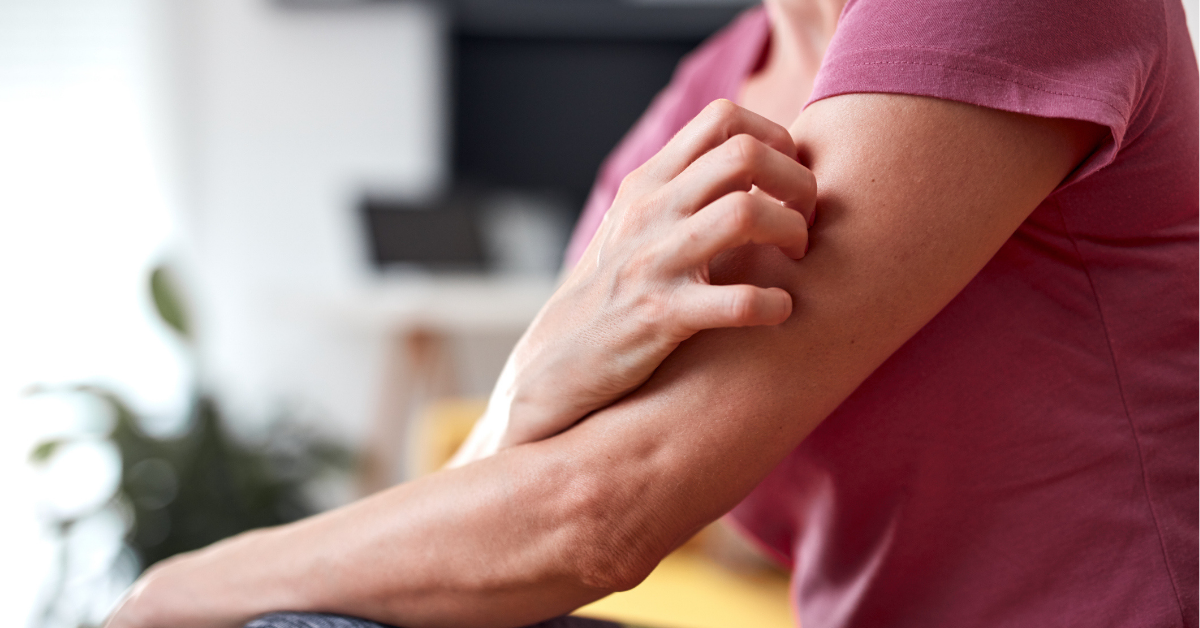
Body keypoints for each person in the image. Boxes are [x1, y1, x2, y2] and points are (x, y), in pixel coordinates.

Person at [106, 0, 1198, 626]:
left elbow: (596, 513)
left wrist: (169, 593)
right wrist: (534, 372)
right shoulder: (696, 109)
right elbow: (520, 501)